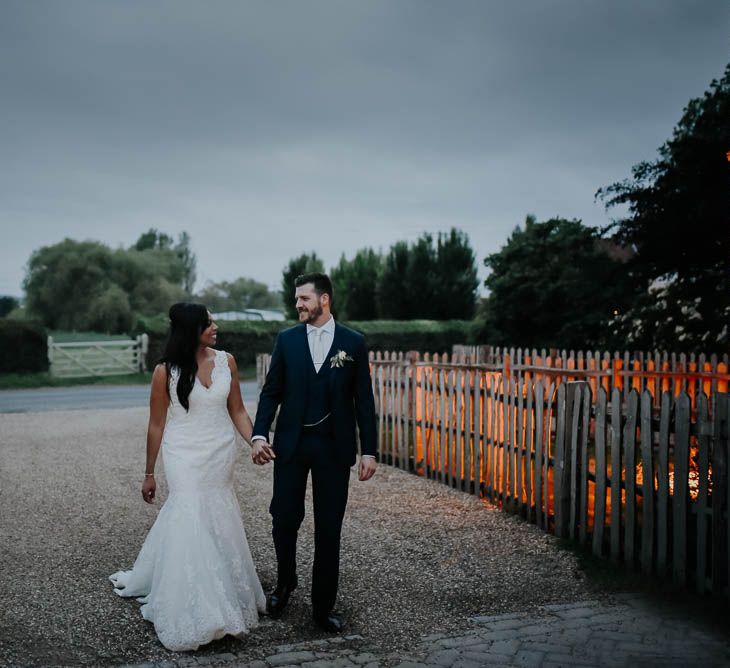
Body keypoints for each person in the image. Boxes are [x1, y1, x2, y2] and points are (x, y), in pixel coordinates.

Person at [109, 303, 266, 651]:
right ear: (190, 329)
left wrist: (254, 440)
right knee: (190, 511)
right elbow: (155, 424)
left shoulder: (227, 361)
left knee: (217, 513)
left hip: (219, 453)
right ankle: (199, 606)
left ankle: (223, 587)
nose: (215, 326)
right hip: (184, 456)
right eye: (207, 322)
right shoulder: (165, 372)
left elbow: (237, 409)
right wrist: (149, 473)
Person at [251, 272, 377, 633]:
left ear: (324, 300)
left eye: (304, 298)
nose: (298, 305)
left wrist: (369, 450)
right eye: (296, 299)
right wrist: (260, 433)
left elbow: (363, 401)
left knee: (329, 528)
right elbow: (271, 392)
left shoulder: (353, 343)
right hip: (291, 444)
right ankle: (285, 583)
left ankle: (323, 607)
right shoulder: (287, 340)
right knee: (284, 518)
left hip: (334, 448)